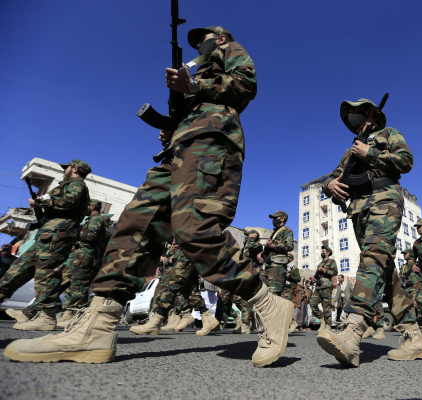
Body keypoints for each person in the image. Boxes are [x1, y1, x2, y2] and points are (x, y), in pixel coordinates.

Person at [3, 27, 292, 368]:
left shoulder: (230, 51)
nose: (200, 43)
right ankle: (97, 326)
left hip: (211, 142)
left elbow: (246, 85)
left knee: (194, 229)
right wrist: (174, 119)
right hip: (177, 151)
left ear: (222, 37)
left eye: (205, 38)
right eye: (197, 41)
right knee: (134, 225)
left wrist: (194, 86)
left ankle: (267, 303)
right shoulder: (198, 67)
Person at [318, 97, 422, 367]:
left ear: (369, 112)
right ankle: (414, 337)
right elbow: (333, 177)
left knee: (372, 258)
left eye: (355, 111)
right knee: (384, 269)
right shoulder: (349, 151)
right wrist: (329, 185)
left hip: (385, 199)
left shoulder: (389, 134)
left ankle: (352, 331)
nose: (351, 117)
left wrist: (372, 154)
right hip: (358, 209)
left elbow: (406, 161)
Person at [4, 160, 91, 332]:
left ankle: (46, 316)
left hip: (57, 234)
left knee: (47, 272)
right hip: (48, 233)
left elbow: (69, 202)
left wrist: (40, 204)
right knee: (19, 269)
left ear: (74, 168)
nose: (64, 170)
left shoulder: (76, 185)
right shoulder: (68, 184)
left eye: (66, 167)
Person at [55, 199, 110, 327]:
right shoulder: (92, 220)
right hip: (82, 256)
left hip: (86, 257)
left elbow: (91, 236)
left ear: (92, 206)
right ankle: (67, 314)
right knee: (73, 284)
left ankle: (73, 315)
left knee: (78, 286)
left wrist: (75, 232)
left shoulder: (96, 220)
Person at [257, 211, 294, 297]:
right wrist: (261, 254)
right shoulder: (274, 233)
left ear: (282, 219)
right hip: (267, 267)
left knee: (272, 296)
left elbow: (289, 246)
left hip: (277, 269)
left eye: (275, 218)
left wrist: (273, 246)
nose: (273, 220)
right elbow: (269, 249)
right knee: (261, 294)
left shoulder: (287, 231)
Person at [309, 245, 338, 332]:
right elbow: (316, 275)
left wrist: (324, 270)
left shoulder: (331, 261)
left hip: (326, 286)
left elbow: (335, 272)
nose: (322, 252)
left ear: (328, 253)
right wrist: (313, 278)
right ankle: (322, 320)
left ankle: (328, 325)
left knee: (326, 306)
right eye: (322, 251)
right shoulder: (320, 264)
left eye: (324, 251)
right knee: (312, 304)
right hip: (318, 286)